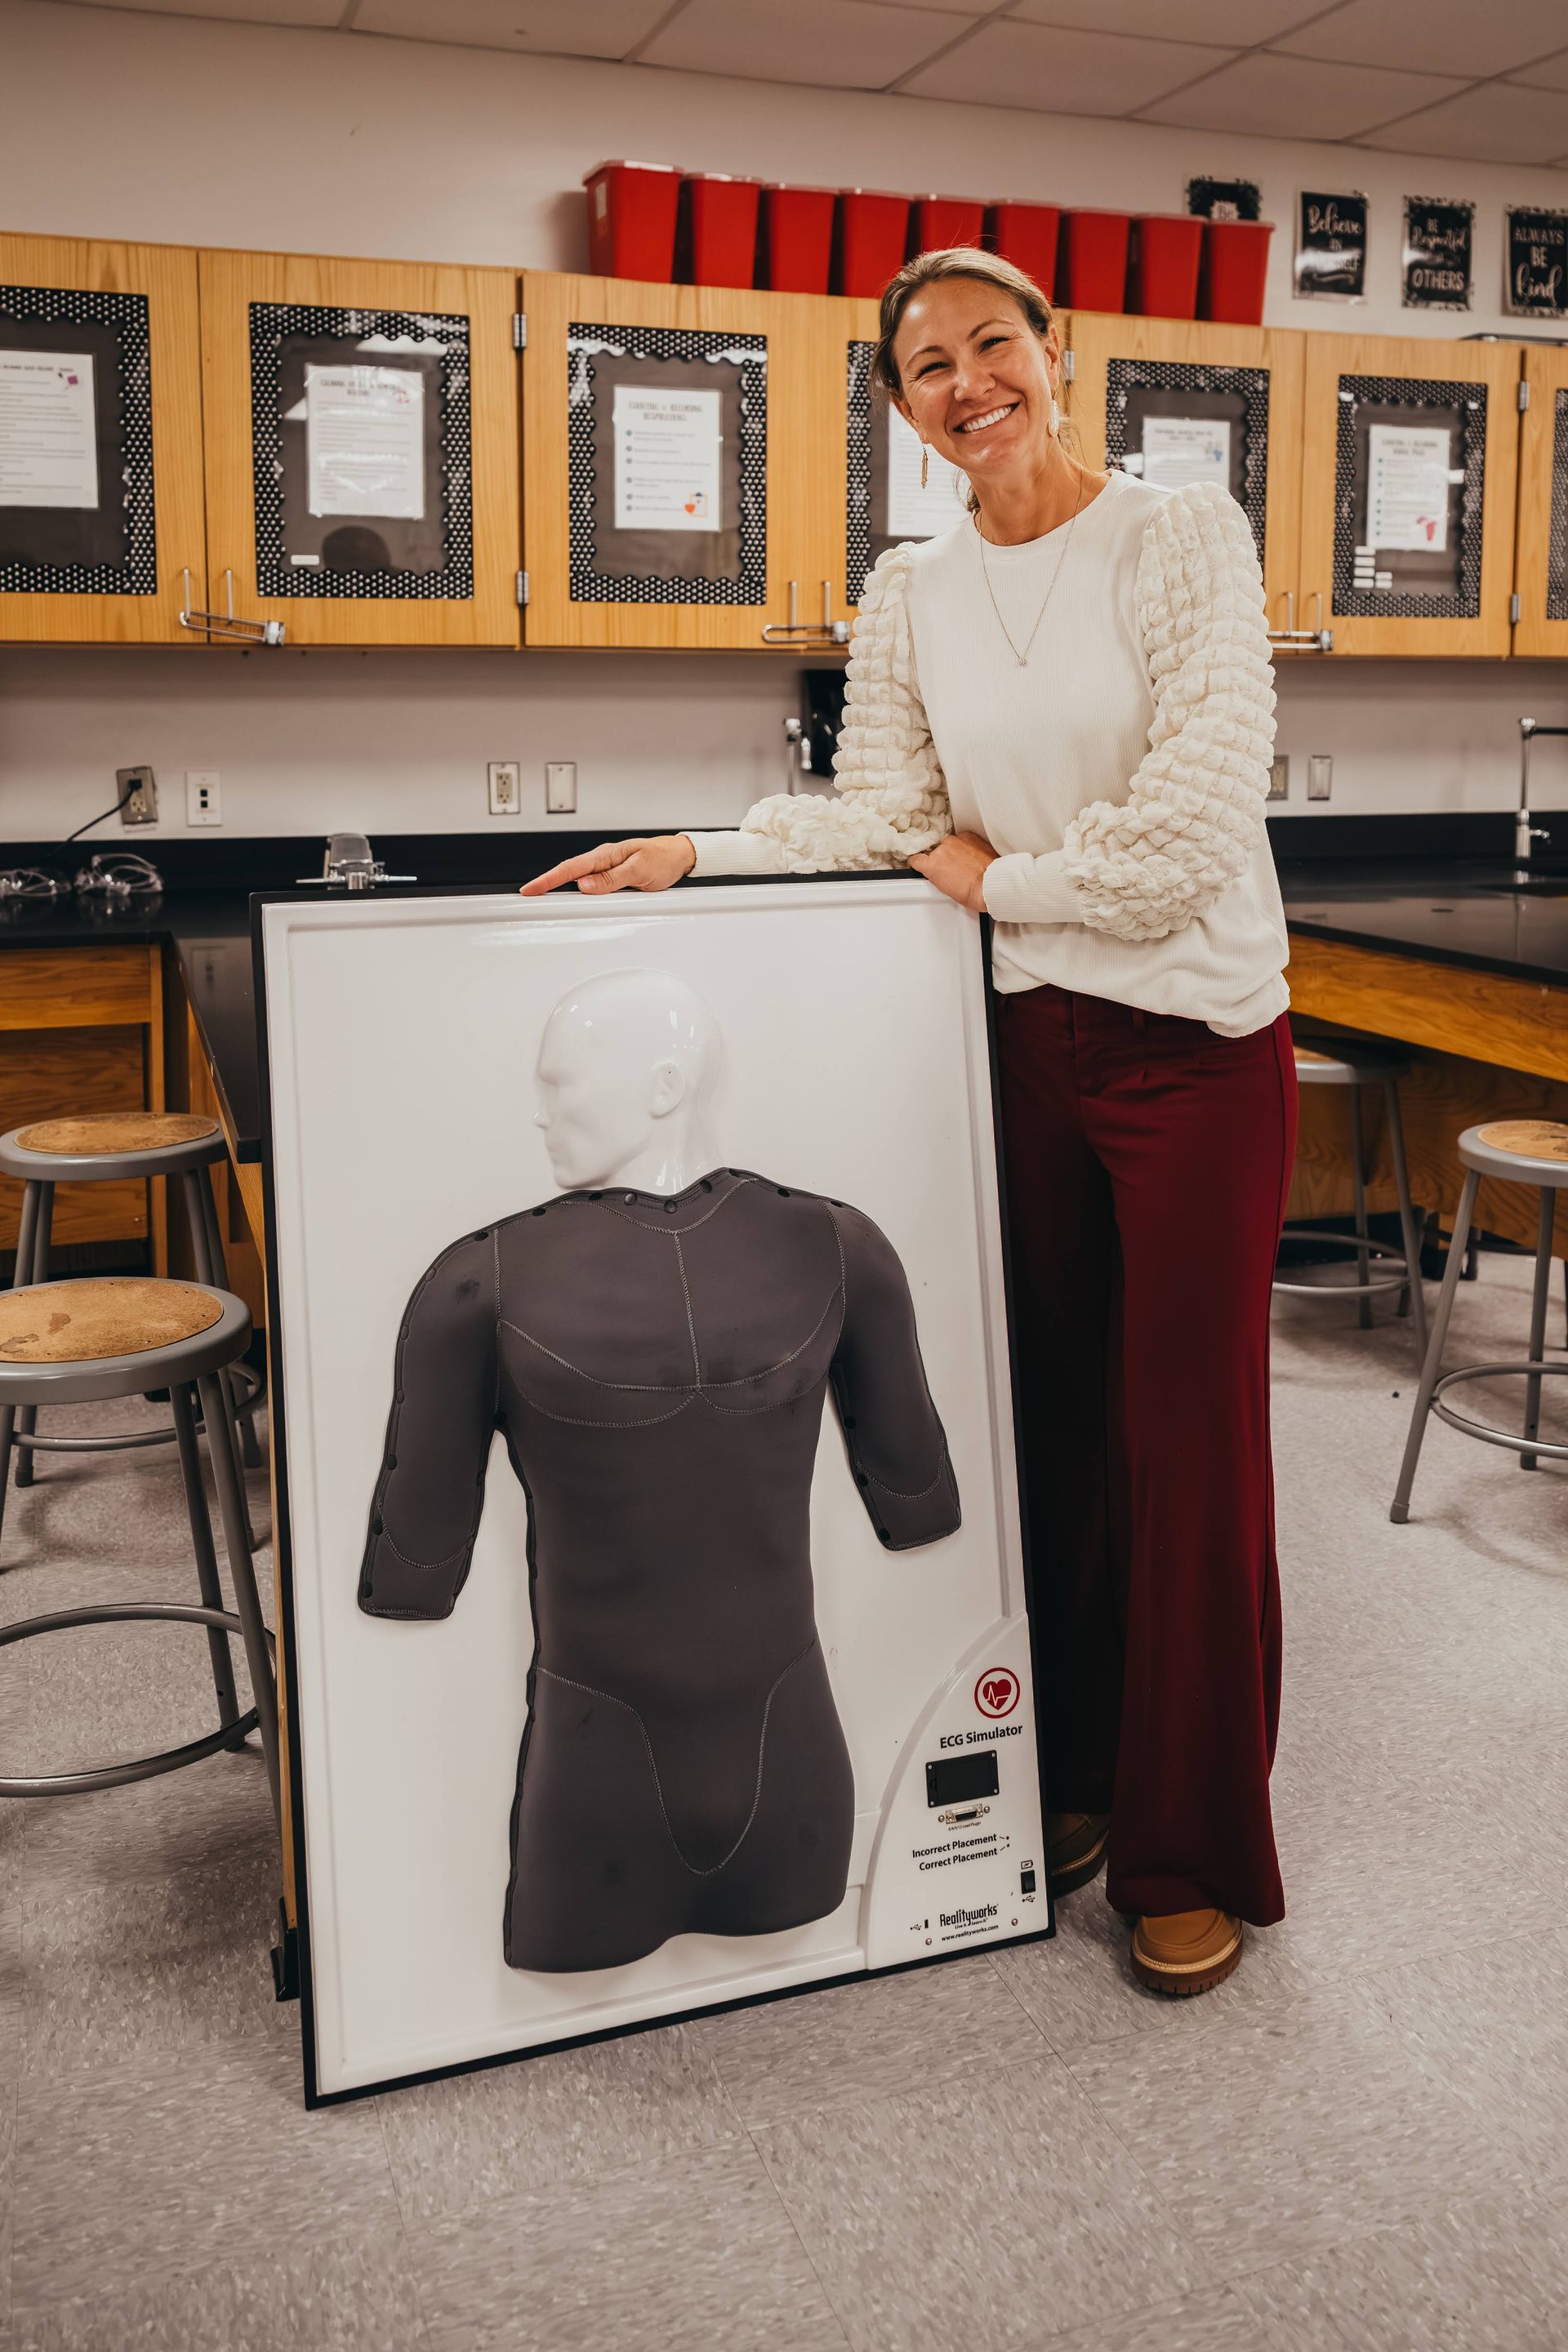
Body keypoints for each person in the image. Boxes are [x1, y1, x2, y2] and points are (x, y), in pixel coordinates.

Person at [522, 246, 1298, 1999]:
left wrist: (986, 875)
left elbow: (1188, 832)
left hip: (1195, 1052)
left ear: (1058, 356)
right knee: (1056, 1436)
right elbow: (882, 813)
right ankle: (1084, 1773)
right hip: (1030, 1048)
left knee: (1188, 1453)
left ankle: (1194, 1845)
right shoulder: (912, 586)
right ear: (900, 406)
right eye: (926, 365)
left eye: (992, 345)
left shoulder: (1182, 537)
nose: (968, 382)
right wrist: (695, 848)